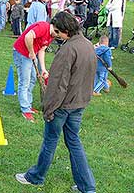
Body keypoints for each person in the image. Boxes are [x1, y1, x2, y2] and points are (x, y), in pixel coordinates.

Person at [15, 11, 97, 193]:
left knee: (50, 141)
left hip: (64, 106)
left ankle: (35, 177)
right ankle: (87, 187)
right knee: (74, 142)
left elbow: (58, 85)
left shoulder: (68, 50)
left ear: (66, 31)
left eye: (58, 33)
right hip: (79, 103)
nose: (56, 36)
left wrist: (49, 108)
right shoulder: (88, 45)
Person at [13, 20, 58, 122]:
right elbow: (28, 36)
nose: (58, 36)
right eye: (58, 33)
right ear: (56, 28)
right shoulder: (43, 27)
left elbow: (41, 50)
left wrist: (43, 69)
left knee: (33, 79)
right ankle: (25, 110)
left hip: (31, 55)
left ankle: (28, 105)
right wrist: (31, 52)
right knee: (24, 82)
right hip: (21, 53)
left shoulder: (52, 35)